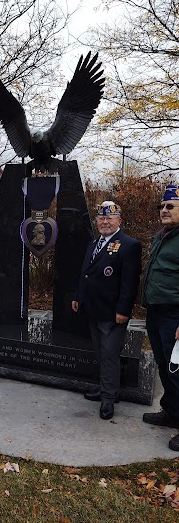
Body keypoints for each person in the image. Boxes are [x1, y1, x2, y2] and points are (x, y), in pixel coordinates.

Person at [72, 201, 142, 420]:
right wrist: (78, 296)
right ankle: (105, 389)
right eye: (101, 218)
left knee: (110, 356)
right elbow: (86, 272)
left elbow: (130, 284)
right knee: (101, 354)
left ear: (119, 221)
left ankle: (109, 400)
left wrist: (123, 310)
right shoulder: (94, 243)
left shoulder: (129, 245)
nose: (105, 222)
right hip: (93, 309)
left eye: (110, 218)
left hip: (113, 314)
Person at [142, 183, 179, 451]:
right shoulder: (162, 235)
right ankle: (170, 411)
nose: (164, 210)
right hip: (156, 313)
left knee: (178, 371)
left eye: (170, 207)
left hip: (174, 316)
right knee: (164, 366)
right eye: (162, 206)